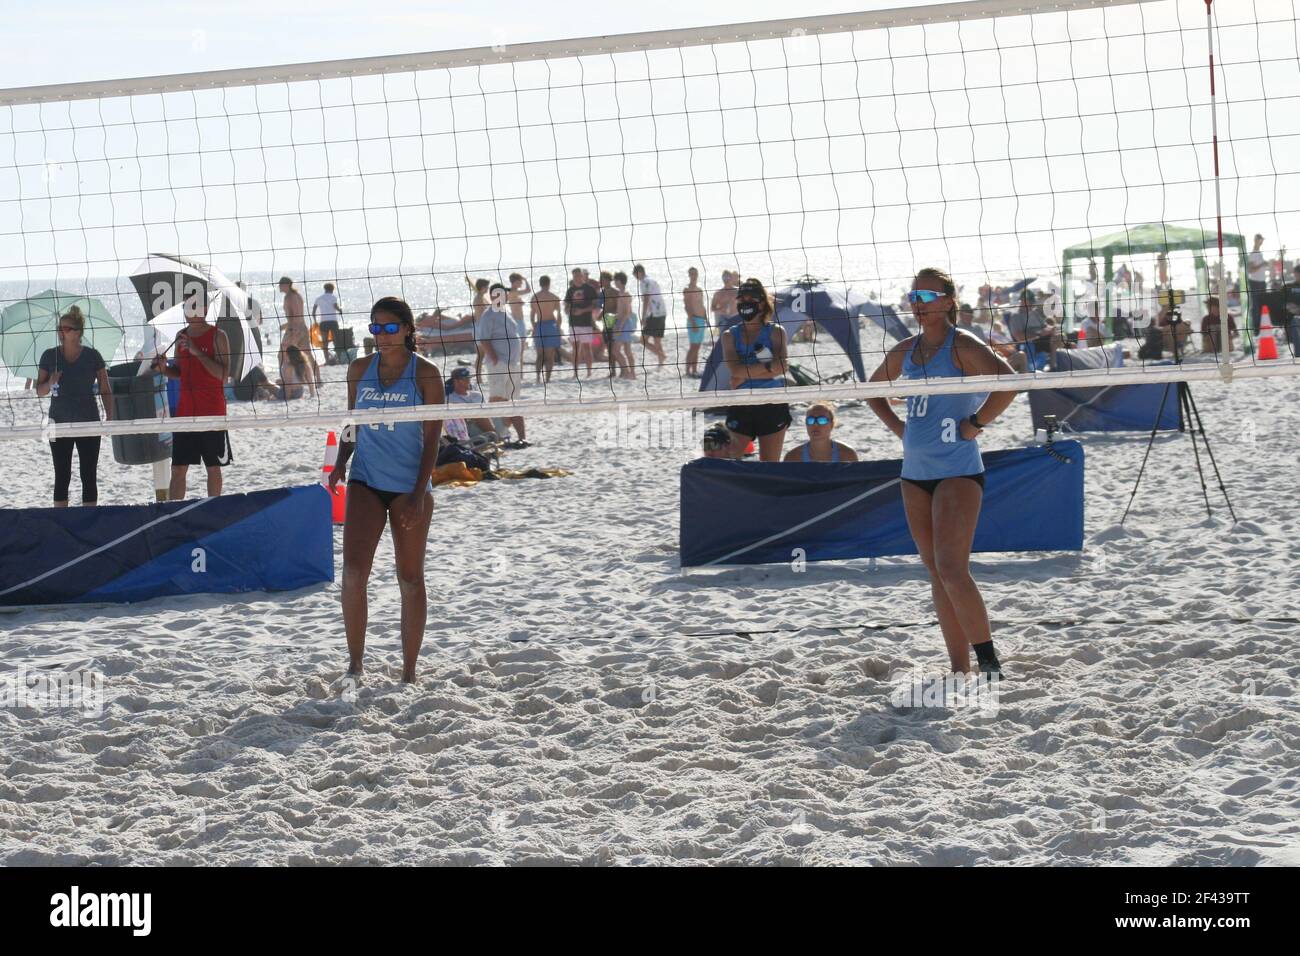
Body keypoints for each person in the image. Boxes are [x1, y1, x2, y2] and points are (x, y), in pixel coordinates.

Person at [866, 267, 1018, 677]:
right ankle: (959, 668)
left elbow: (1010, 383)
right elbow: (870, 390)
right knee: (936, 571)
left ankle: (988, 662)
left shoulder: (962, 346)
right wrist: (900, 429)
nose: (919, 303)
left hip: (958, 470)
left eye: (929, 296)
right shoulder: (905, 350)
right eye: (914, 295)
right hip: (914, 472)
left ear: (950, 301)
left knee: (952, 568)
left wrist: (977, 423)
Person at [330, 297, 443, 684]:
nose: (381, 335)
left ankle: (409, 672)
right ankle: (355, 665)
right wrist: (340, 460)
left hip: (409, 484)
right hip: (366, 478)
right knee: (353, 573)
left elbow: (432, 441)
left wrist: (417, 494)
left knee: (410, 578)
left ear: (408, 329)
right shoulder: (359, 369)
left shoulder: (426, 375)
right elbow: (352, 422)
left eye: (390, 327)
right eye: (375, 328)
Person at [154, 292, 233, 500]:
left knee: (213, 468)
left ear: (205, 309)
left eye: (194, 306)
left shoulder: (219, 336)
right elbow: (179, 372)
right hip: (185, 413)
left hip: (212, 413)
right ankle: (174, 512)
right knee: (178, 469)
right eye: (186, 306)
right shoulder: (181, 336)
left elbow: (224, 375)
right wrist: (164, 369)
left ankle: (212, 507)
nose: (189, 311)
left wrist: (197, 351)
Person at [34, 305, 114, 507]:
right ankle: (62, 521)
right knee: (62, 475)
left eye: (67, 329)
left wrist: (110, 417)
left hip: (88, 421)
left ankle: (90, 519)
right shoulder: (49, 356)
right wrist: (50, 382)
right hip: (58, 423)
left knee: (88, 474)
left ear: (78, 332)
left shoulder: (92, 356)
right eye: (60, 328)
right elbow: (39, 391)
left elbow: (105, 389)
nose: (62, 332)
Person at [722, 278, 790, 462]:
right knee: (728, 458)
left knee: (769, 464)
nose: (745, 302)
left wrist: (744, 375)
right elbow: (734, 369)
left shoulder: (776, 331)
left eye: (751, 298)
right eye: (741, 298)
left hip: (772, 401)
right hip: (742, 402)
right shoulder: (730, 335)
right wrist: (768, 368)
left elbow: (783, 366)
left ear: (762, 303)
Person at [479, 283, 527, 445]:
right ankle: (499, 435)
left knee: (514, 400)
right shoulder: (488, 314)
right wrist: (495, 359)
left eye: (504, 294)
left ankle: (522, 438)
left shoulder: (505, 312)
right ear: (492, 296)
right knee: (497, 399)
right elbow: (484, 340)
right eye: (499, 294)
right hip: (499, 364)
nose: (503, 296)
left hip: (512, 363)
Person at [279, 276, 320, 389]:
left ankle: (285, 381)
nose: (279, 286)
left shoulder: (288, 297)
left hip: (294, 329)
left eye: (280, 284)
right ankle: (319, 378)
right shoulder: (298, 295)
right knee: (308, 355)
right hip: (303, 327)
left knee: (282, 354)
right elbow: (298, 316)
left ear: (286, 285)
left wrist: (288, 328)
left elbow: (293, 318)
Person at [783, 402, 859, 462]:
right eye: (810, 420)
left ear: (832, 424)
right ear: (806, 424)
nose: (815, 424)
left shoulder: (847, 454)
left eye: (822, 420)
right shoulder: (792, 457)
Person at [564, 267, 598, 378]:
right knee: (575, 349)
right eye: (575, 276)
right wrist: (568, 310)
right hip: (573, 323)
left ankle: (589, 372)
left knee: (587, 348)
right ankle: (575, 373)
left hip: (585, 322)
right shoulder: (570, 290)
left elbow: (595, 305)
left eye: (578, 276)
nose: (577, 278)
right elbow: (566, 306)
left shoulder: (589, 289)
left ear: (582, 276)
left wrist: (582, 311)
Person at [633, 264, 668, 370]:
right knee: (657, 340)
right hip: (662, 311)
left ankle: (661, 356)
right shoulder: (652, 280)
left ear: (639, 272)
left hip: (654, 313)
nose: (635, 277)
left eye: (635, 275)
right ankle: (661, 360)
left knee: (643, 340)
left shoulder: (644, 282)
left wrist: (643, 317)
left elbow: (647, 299)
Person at [445, 365, 496, 438]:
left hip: (488, 423)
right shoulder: (450, 398)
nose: (469, 381)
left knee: (512, 410)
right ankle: (496, 437)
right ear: (456, 381)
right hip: (468, 428)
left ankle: (513, 439)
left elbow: (487, 411)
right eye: (465, 379)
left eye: (469, 379)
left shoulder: (477, 395)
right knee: (478, 414)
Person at [530, 275, 563, 383]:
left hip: (540, 325)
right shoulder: (554, 297)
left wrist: (534, 327)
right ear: (549, 284)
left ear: (539, 284)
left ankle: (538, 378)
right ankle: (547, 379)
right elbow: (559, 315)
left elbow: (532, 315)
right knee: (550, 356)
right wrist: (558, 328)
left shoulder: (534, 297)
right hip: (551, 326)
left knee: (540, 355)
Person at [683, 267, 709, 377]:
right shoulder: (687, 290)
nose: (694, 276)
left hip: (701, 320)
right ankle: (687, 371)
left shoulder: (699, 290)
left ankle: (694, 370)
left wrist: (706, 318)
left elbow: (701, 305)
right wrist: (693, 321)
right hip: (693, 319)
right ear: (689, 275)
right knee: (693, 346)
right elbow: (687, 306)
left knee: (697, 347)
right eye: (691, 274)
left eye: (695, 274)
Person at [612, 271, 637, 379]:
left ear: (619, 281)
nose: (614, 283)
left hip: (624, 324)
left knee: (616, 350)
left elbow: (627, 312)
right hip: (622, 323)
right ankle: (631, 373)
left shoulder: (625, 294)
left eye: (615, 280)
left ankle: (628, 372)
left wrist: (620, 326)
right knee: (627, 351)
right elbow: (622, 311)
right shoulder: (621, 294)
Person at [311, 282, 343, 365]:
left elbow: (313, 312)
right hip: (333, 321)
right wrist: (340, 310)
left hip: (323, 322)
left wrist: (315, 321)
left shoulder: (318, 298)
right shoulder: (333, 297)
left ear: (324, 289)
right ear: (332, 289)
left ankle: (327, 360)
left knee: (324, 342)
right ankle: (339, 359)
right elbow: (335, 306)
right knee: (336, 341)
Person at [1247, 233, 1268, 336]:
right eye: (1261, 240)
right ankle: (1256, 330)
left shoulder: (1259, 253)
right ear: (1256, 240)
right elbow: (1250, 270)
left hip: (1262, 282)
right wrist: (1262, 264)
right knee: (1255, 306)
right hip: (1255, 283)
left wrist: (1265, 265)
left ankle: (1261, 327)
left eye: (1262, 240)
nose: (1262, 241)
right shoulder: (1252, 254)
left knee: (1262, 305)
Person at [237, 280, 264, 352]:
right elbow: (260, 322)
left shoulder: (232, 304)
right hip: (255, 336)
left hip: (239, 339)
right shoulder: (254, 302)